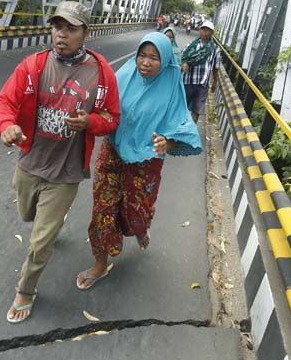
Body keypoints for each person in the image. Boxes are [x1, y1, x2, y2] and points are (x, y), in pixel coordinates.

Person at [0, 1, 121, 323]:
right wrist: (6, 125)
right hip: (30, 161)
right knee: (27, 214)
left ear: (85, 33)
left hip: (66, 172)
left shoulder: (101, 74)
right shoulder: (33, 66)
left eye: (71, 28)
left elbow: (111, 117)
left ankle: (26, 289)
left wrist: (90, 122)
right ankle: (50, 222)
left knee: (40, 240)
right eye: (57, 27)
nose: (61, 35)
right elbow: (5, 102)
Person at [75, 32, 202, 290]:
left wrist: (169, 142)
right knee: (102, 208)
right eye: (142, 56)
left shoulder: (171, 86)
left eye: (154, 58)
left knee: (136, 211)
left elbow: (182, 126)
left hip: (146, 161)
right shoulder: (121, 77)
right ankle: (100, 263)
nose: (145, 62)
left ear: (165, 61)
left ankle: (140, 228)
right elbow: (102, 108)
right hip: (113, 151)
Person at [181, 20, 220, 123]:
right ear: (200, 30)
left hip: (203, 83)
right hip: (188, 80)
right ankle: (180, 128)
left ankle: (191, 130)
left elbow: (215, 67)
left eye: (208, 31)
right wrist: (184, 63)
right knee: (182, 106)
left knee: (196, 110)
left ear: (212, 33)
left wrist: (215, 82)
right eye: (203, 29)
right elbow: (183, 58)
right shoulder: (191, 46)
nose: (205, 32)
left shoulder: (215, 49)